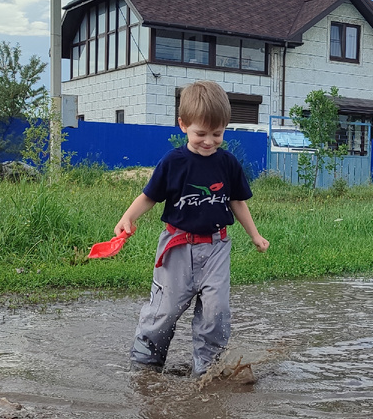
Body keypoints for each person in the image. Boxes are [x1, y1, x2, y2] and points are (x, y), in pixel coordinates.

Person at [114, 80, 270, 376]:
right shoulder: (173, 162)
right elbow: (149, 196)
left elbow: (237, 202)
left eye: (217, 134)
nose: (209, 141)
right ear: (183, 125)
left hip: (216, 247)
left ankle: (207, 368)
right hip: (177, 247)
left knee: (216, 310)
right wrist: (128, 217)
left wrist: (255, 235)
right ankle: (147, 361)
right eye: (201, 133)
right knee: (165, 309)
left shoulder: (228, 164)